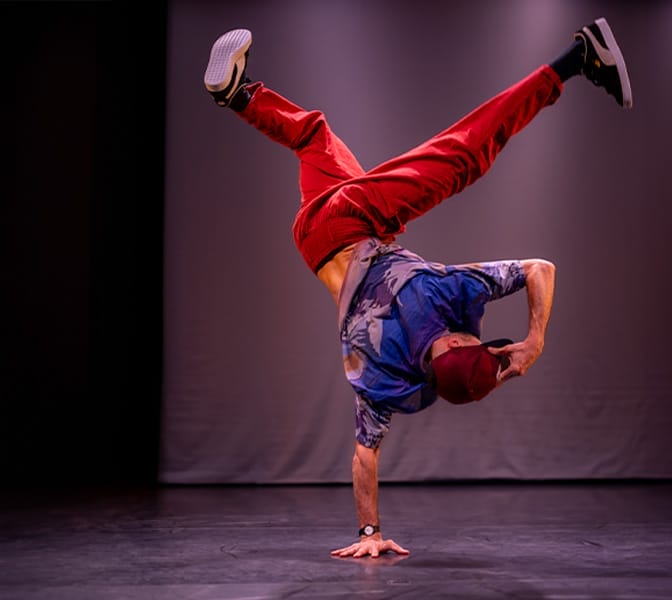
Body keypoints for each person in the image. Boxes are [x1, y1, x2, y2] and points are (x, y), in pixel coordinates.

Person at [203, 17, 632, 559]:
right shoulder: (388, 385)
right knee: (313, 134)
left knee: (466, 155)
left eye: (475, 342)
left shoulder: (443, 294)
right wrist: (369, 533)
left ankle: (578, 59)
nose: (474, 336)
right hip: (313, 241)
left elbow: (539, 268)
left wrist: (533, 341)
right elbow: (364, 457)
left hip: (352, 223)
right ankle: (238, 96)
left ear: (456, 345)